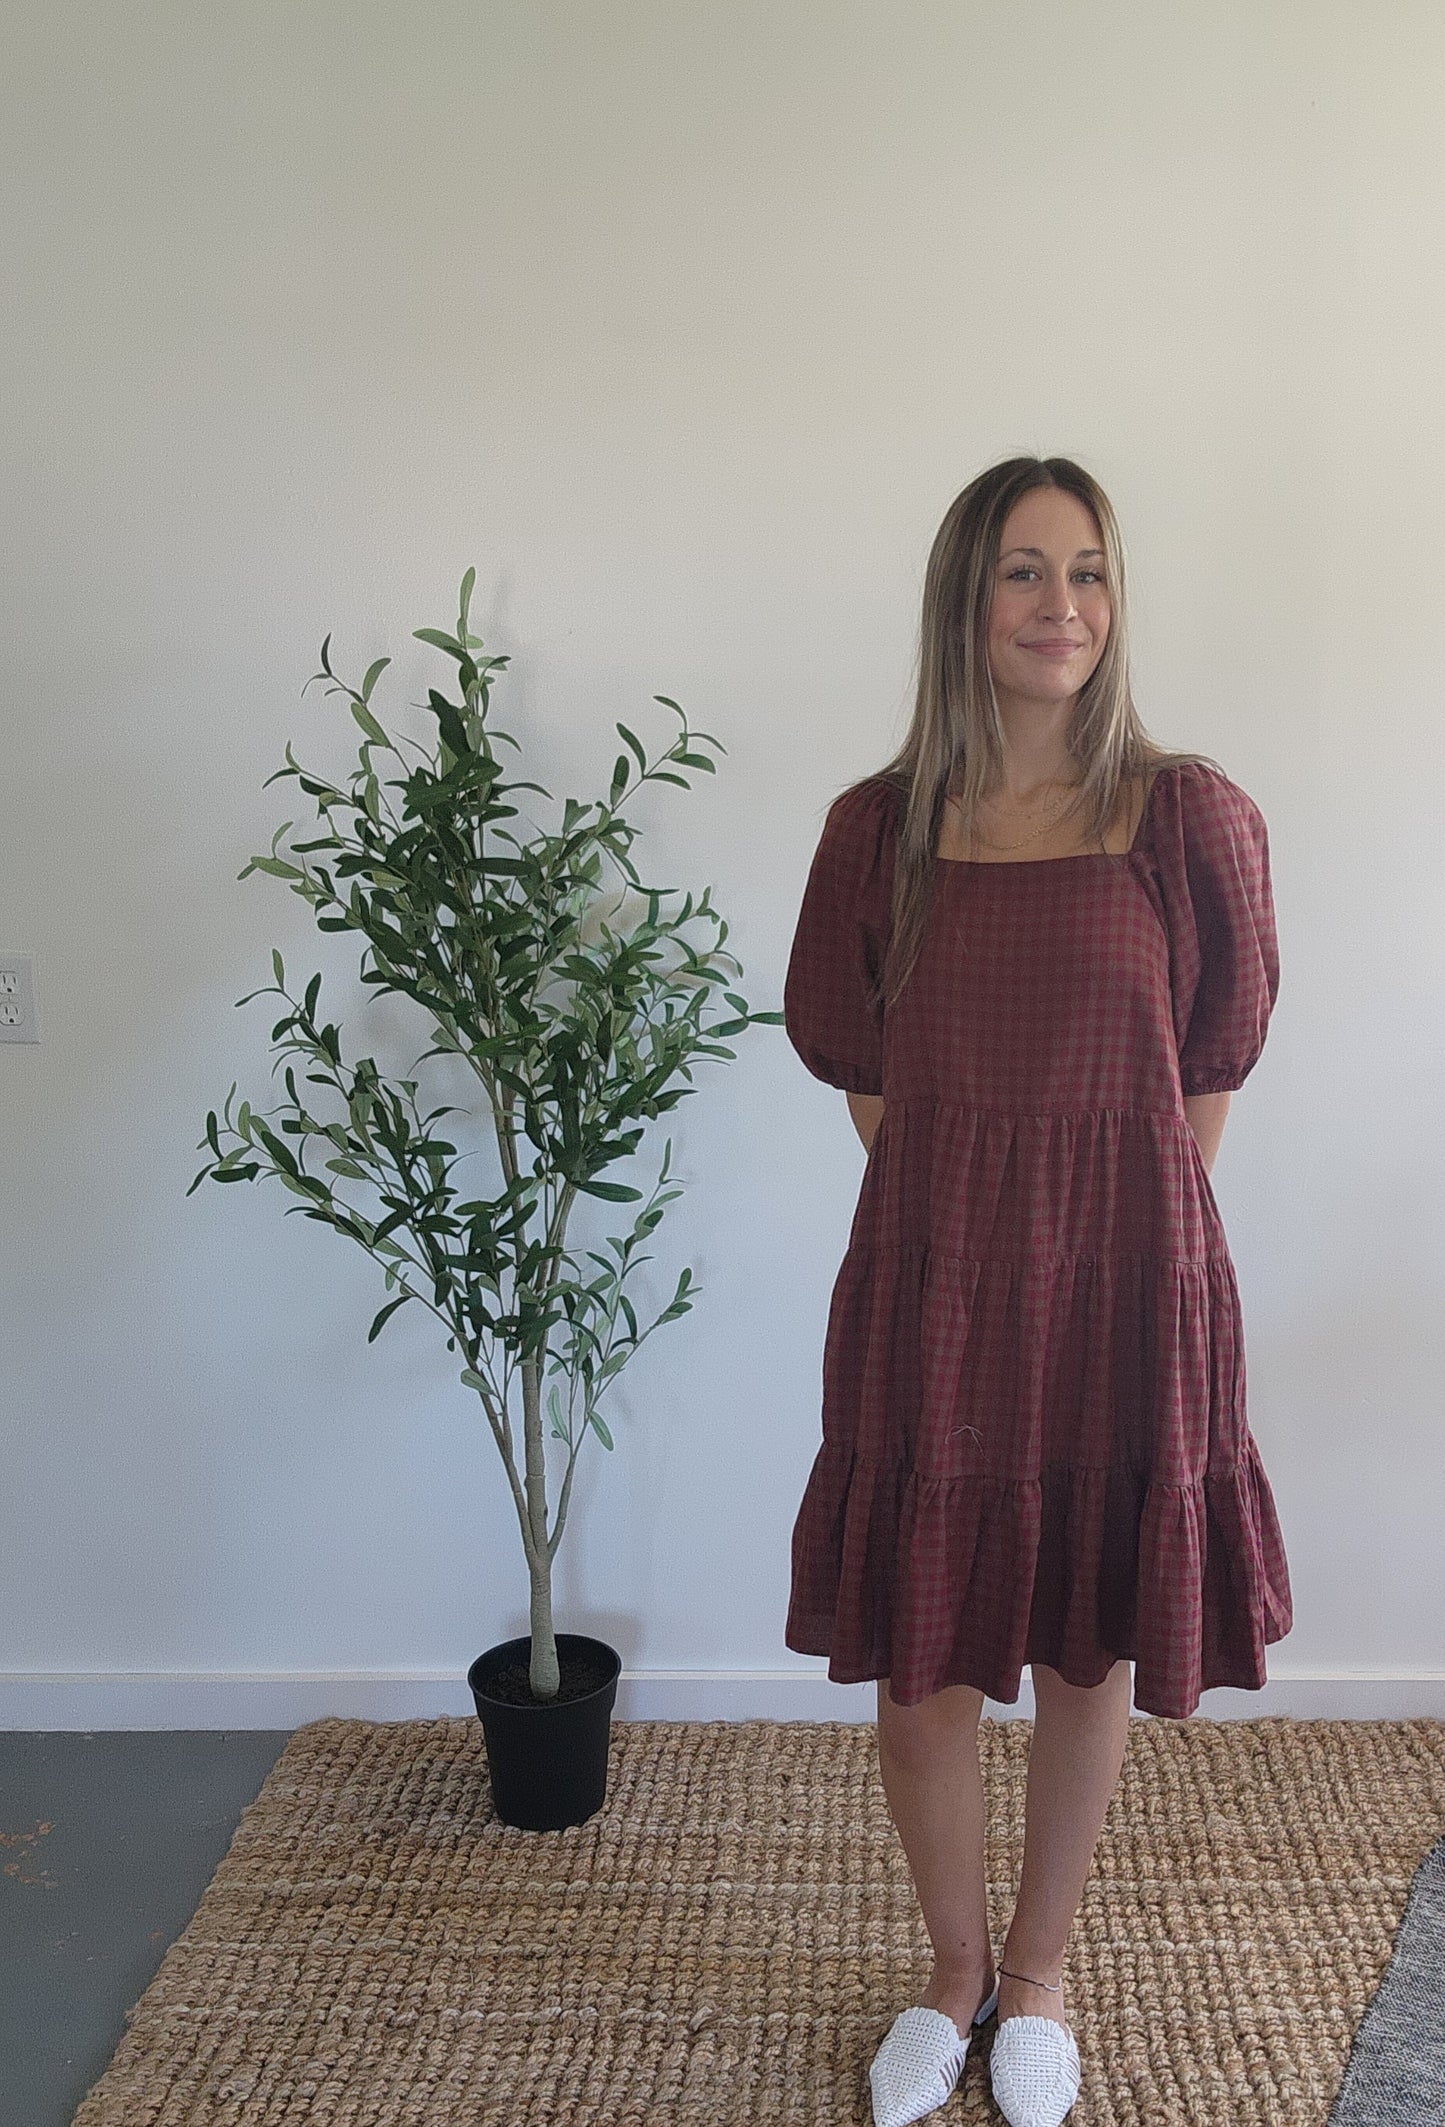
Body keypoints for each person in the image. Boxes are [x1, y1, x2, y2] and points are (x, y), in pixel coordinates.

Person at [781, 455, 1293, 2127]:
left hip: (1125, 1288)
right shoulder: (877, 830)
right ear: (963, 600)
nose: (1058, 604)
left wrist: (1100, 1227)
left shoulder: (1184, 816)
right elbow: (865, 1076)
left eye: (1085, 572)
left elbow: (1204, 1066)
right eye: (1020, 572)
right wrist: (978, 1214)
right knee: (919, 1664)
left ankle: (1043, 1973)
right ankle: (950, 1974)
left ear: (1114, 600)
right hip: (932, 1290)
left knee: (1084, 1641)